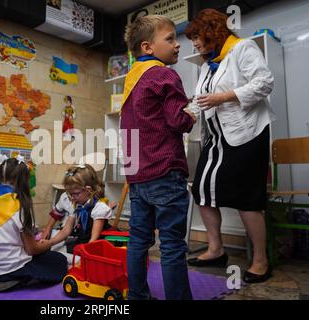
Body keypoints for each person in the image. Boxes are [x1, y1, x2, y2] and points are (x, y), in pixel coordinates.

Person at [184, 9, 275, 284]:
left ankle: (261, 260)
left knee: (247, 198)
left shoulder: (242, 48)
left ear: (213, 31)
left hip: (247, 134)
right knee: (201, 189)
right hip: (217, 138)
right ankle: (216, 249)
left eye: (197, 37)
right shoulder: (205, 65)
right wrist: (184, 115)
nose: (195, 44)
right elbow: (201, 100)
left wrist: (224, 97)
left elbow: (265, 82)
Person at [121, 15, 196, 300]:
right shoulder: (165, 74)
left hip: (137, 174)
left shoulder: (132, 78)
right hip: (165, 170)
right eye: (171, 39)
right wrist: (191, 115)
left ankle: (137, 296)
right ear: (147, 46)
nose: (178, 45)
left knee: (138, 239)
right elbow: (177, 121)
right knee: (173, 244)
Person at [0, 157, 67, 292]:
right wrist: (48, 244)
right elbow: (31, 249)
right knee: (58, 261)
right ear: (24, 181)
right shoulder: (20, 206)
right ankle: (10, 280)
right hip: (9, 268)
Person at [49, 165, 113, 252]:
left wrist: (84, 254)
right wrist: (50, 243)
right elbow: (66, 230)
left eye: (75, 193)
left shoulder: (99, 208)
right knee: (55, 250)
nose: (72, 197)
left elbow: (94, 238)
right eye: (70, 194)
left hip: (95, 246)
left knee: (62, 255)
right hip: (82, 242)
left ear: (88, 190)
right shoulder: (77, 205)